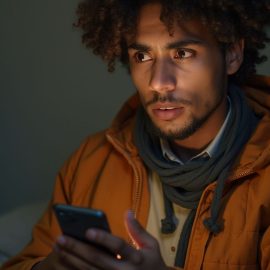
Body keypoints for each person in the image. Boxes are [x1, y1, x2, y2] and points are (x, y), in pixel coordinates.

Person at [2, 0, 270, 269]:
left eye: (183, 53)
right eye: (142, 57)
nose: (158, 82)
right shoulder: (90, 161)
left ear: (233, 54)